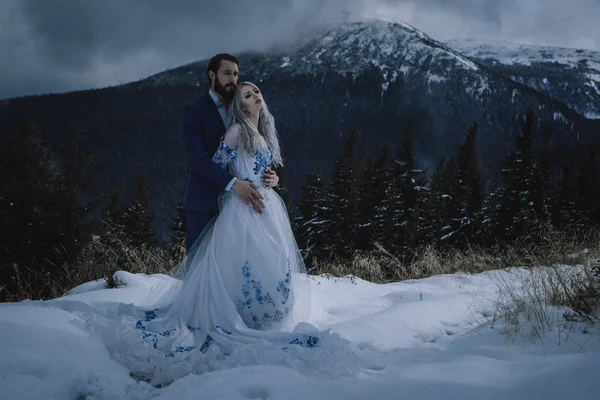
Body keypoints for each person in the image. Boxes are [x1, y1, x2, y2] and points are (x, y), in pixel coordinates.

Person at [104, 82, 361, 386]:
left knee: (273, 261)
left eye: (256, 92)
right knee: (246, 262)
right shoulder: (237, 131)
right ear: (239, 106)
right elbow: (216, 164)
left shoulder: (264, 132)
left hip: (267, 207)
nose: (256, 97)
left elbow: (266, 169)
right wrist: (238, 183)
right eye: (248, 95)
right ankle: (242, 317)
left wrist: (273, 178)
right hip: (243, 209)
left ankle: (267, 318)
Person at [181, 53, 279, 253]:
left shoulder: (245, 109)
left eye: (235, 74)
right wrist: (234, 184)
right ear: (211, 75)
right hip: (205, 201)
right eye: (226, 73)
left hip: (244, 206)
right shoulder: (194, 110)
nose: (232, 79)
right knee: (202, 268)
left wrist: (271, 177)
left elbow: (255, 156)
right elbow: (199, 159)